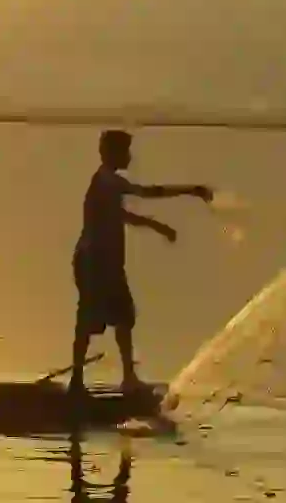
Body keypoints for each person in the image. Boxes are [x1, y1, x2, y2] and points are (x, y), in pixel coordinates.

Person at [70, 129, 213, 398]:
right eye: (124, 151)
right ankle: (78, 381)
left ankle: (127, 378)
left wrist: (158, 226)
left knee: (124, 317)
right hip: (95, 264)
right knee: (89, 318)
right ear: (111, 153)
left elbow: (121, 215)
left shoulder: (107, 184)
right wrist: (191, 190)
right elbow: (149, 192)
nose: (129, 157)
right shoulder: (107, 182)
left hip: (107, 264)